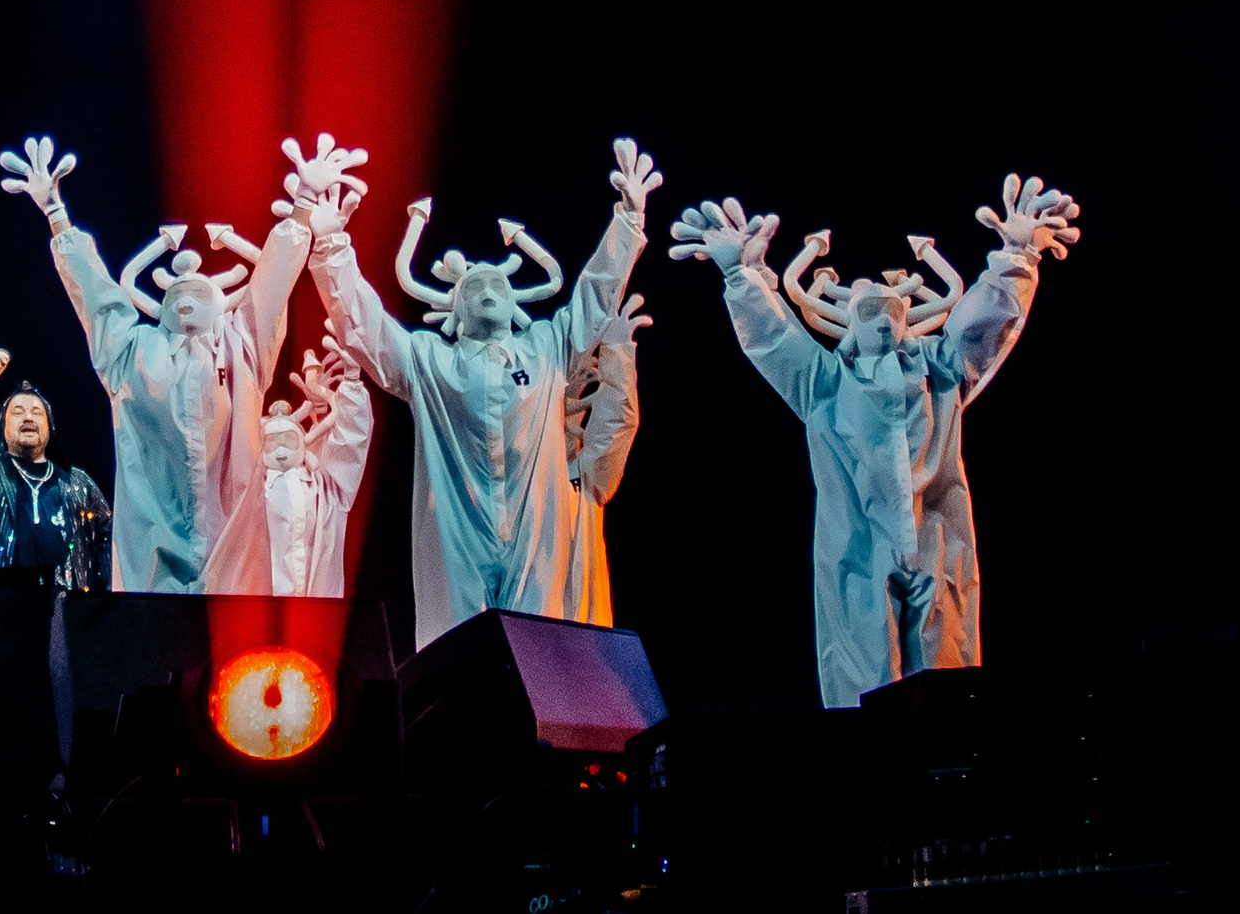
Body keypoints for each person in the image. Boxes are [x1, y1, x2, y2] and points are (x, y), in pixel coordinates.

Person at [670, 174, 1080, 707]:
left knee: (949, 678)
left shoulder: (936, 371)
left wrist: (1016, 257)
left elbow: (982, 328)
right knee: (863, 683)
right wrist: (741, 276)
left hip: (936, 539)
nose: (884, 323)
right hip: (857, 550)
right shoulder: (825, 382)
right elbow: (776, 340)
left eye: (893, 311)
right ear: (849, 320)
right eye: (870, 312)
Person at [303, 138, 660, 648]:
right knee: (458, 654)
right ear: (455, 309)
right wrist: (332, 247)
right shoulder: (429, 361)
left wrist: (627, 221)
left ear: (517, 301)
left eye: (497, 284)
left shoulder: (547, 347)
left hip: (537, 529)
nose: (487, 290)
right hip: (456, 531)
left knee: (543, 651)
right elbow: (365, 326)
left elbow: (594, 295)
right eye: (473, 288)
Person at [0, 133, 356, 594]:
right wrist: (57, 216)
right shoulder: (131, 351)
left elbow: (270, 285)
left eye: (198, 294)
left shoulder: (241, 345)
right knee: (154, 653)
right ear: (161, 306)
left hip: (234, 535)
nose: (188, 300)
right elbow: (98, 297)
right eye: (178, 295)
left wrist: (303, 205)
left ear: (220, 305)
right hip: (153, 539)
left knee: (234, 659)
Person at [0, 348, 111, 590]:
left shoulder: (77, 483)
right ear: (2, 427)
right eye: (17, 412)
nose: (28, 417)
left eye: (37, 413)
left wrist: (100, 604)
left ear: (49, 427)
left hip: (63, 612)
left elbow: (108, 540)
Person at [557, 293, 650, 625]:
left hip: (577, 637)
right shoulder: (506, 477)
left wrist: (618, 353)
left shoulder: (581, 477)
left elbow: (616, 423)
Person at [262, 337, 374, 598]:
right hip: (255, 614)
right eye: (273, 441)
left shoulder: (326, 491)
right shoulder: (249, 491)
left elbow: (350, 443)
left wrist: (352, 382)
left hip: (319, 613)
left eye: (288, 439)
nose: (280, 450)